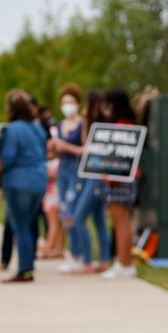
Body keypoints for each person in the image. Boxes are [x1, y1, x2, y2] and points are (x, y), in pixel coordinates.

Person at [0, 89, 49, 283]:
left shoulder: (13, 129)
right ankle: (29, 265)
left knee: (21, 227)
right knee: (31, 225)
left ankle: (24, 269)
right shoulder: (37, 127)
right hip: (39, 181)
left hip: (19, 182)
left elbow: (9, 157)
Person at [57, 89, 111, 272]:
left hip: (89, 176)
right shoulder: (67, 125)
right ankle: (98, 259)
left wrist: (66, 146)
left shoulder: (88, 125)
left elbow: (86, 149)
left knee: (77, 217)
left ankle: (86, 259)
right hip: (77, 174)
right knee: (95, 219)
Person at [99, 88, 139, 279]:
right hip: (117, 179)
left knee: (122, 221)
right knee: (118, 221)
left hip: (120, 180)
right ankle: (122, 261)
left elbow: (122, 157)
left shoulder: (123, 124)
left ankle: (125, 263)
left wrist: (110, 174)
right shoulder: (123, 122)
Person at [51, 84, 91, 274]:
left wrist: (66, 146)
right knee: (64, 212)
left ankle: (81, 254)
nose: (67, 106)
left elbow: (85, 150)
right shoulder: (59, 126)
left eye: (71, 102)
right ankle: (74, 253)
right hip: (63, 170)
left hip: (77, 169)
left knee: (74, 213)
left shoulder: (83, 124)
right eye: (64, 103)